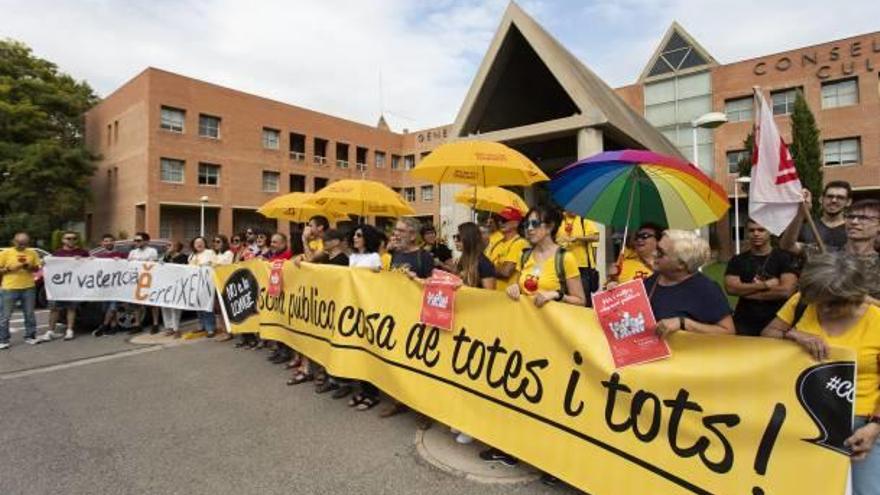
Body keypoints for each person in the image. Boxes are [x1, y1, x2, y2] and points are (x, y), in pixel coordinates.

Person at [761, 253, 880, 494]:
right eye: (819, 301)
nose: (825, 308)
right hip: (800, 418)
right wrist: (794, 335)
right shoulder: (802, 303)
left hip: (861, 423)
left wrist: (874, 427)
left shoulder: (876, 321)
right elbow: (767, 335)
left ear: (856, 297)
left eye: (835, 303)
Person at [378, 217, 435, 424]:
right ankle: (398, 401)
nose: (397, 233)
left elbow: (433, 284)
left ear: (413, 235)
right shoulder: (394, 254)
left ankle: (424, 410)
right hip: (395, 317)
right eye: (396, 230)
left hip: (417, 320)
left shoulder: (424, 257)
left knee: (419, 366)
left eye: (402, 231)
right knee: (397, 362)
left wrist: (415, 279)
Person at [646, 230, 734, 338]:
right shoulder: (651, 281)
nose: (653, 254)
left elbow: (728, 332)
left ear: (681, 264)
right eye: (656, 248)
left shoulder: (706, 289)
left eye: (660, 252)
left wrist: (683, 323)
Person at [724, 219, 798, 336]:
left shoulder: (784, 258)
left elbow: (786, 291)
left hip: (776, 321)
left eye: (761, 230)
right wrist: (765, 285)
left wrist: (746, 292)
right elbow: (731, 288)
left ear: (770, 232)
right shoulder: (737, 260)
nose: (756, 234)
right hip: (744, 321)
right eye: (751, 230)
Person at [506, 206, 586, 307]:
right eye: (527, 224)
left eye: (535, 224)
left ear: (550, 227)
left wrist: (557, 295)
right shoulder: (524, 255)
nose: (529, 228)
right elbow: (518, 286)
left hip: (551, 321)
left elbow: (581, 301)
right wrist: (514, 288)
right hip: (525, 320)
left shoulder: (565, 258)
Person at [42, 231, 90, 341]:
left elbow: (92, 264)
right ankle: (50, 331)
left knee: (71, 308)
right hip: (59, 287)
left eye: (74, 238)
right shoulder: (57, 253)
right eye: (68, 238)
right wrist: (44, 263)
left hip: (74, 286)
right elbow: (48, 266)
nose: (71, 240)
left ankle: (69, 330)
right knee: (54, 309)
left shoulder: (82, 252)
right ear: (63, 240)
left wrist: (84, 260)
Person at [781, 181, 852, 253]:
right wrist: (801, 212)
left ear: (848, 202)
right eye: (830, 196)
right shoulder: (807, 228)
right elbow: (787, 246)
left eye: (840, 198)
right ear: (821, 199)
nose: (834, 200)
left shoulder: (853, 229)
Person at [0, 232, 42, 348]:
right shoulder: (5, 253)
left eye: (25, 243)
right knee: (5, 316)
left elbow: (37, 268)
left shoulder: (32, 253)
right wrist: (9, 268)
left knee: (29, 314)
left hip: (28, 287)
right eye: (20, 243)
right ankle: (3, 340)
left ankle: (30, 336)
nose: (23, 246)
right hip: (9, 287)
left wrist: (30, 267)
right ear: (14, 241)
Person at [843, 199, 880, 304]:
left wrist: (862, 298)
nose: (854, 222)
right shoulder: (828, 254)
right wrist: (801, 213)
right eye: (850, 217)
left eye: (864, 218)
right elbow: (792, 245)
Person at [555, 211, 600, 296]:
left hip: (582, 266)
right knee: (566, 297)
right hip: (562, 265)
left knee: (584, 297)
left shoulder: (584, 218)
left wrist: (577, 238)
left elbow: (596, 237)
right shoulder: (559, 219)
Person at [485, 208, 528, 294]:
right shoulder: (497, 243)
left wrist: (485, 269)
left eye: (504, 220)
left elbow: (506, 272)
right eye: (498, 220)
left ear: (516, 223)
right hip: (491, 294)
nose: (500, 223)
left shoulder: (520, 243)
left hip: (508, 297)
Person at [91, 234, 127, 337]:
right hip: (104, 287)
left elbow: (129, 265)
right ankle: (114, 326)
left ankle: (103, 326)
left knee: (113, 307)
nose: (108, 243)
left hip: (116, 286)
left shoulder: (121, 255)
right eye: (106, 241)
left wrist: (121, 261)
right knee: (106, 308)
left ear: (114, 242)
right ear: (102, 243)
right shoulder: (99, 257)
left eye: (110, 241)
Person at [607, 223, 662, 288]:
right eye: (637, 237)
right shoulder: (622, 265)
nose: (639, 240)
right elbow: (607, 293)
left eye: (645, 236)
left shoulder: (668, 265)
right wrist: (611, 283)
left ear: (658, 240)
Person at [127, 232, 160, 334]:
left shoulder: (152, 251)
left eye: (139, 240)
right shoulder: (132, 252)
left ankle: (155, 324)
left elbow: (152, 264)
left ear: (146, 241)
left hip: (148, 280)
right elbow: (128, 265)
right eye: (135, 240)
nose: (136, 242)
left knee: (152, 303)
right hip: (136, 280)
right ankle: (137, 324)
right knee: (136, 303)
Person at [186, 236, 217, 339]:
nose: (199, 244)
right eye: (196, 243)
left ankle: (210, 328)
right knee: (198, 306)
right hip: (196, 285)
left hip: (207, 284)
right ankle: (202, 325)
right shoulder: (191, 256)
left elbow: (215, 265)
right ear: (193, 245)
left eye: (201, 242)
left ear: (204, 243)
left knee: (207, 306)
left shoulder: (210, 252)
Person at [160, 241, 188, 338]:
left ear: (176, 247)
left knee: (175, 307)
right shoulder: (166, 257)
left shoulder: (183, 257)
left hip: (177, 285)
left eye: (170, 245)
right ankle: (168, 327)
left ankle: (176, 328)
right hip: (166, 284)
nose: (168, 247)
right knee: (165, 306)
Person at [212, 235, 235, 341]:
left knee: (224, 309)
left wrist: (212, 264)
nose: (216, 243)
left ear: (224, 243)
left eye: (218, 241)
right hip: (215, 284)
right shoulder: (216, 254)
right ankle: (223, 330)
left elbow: (223, 265)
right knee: (218, 309)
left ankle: (228, 332)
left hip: (224, 284)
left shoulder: (228, 253)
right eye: (214, 242)